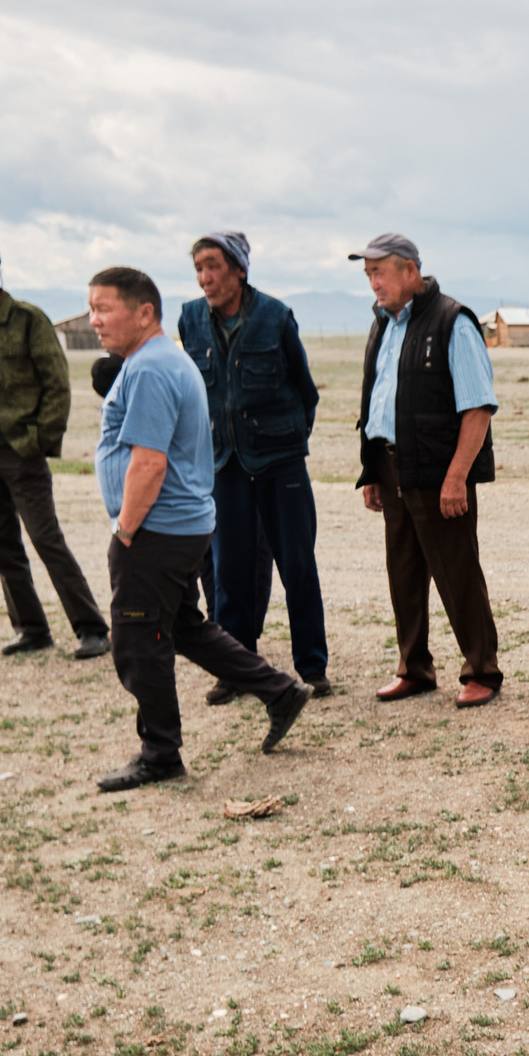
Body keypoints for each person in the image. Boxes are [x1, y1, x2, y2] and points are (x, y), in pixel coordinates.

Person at [84, 267, 311, 792]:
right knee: (185, 626)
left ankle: (160, 753)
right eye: (91, 308)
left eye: (105, 308)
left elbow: (149, 463)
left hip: (155, 532)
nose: (95, 320)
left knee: (139, 640)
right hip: (178, 527)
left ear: (145, 313)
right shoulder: (155, 361)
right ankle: (279, 691)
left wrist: (124, 531)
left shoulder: (149, 370)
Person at [350, 233, 503, 708]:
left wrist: (456, 477)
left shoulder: (452, 321)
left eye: (380, 272)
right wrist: (371, 470)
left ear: (411, 272)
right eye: (368, 274)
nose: (374, 283)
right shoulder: (382, 325)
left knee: (456, 573)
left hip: (439, 473)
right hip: (392, 465)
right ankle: (413, 668)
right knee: (404, 574)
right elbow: (376, 402)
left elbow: (477, 407)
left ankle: (481, 670)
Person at [0, 236, 107, 660]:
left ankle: (92, 630)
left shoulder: (30, 320)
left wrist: (35, 443)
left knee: (46, 539)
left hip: (19, 451)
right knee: (1, 544)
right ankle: (31, 629)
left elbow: (57, 387)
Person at [178, 232, 330, 703]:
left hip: (279, 462)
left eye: (213, 266)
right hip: (223, 462)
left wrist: (285, 444)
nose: (204, 277)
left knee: (298, 564)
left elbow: (306, 391)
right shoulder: (189, 319)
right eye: (198, 268)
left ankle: (312, 667)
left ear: (239, 270)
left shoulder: (275, 316)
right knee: (230, 570)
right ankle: (237, 668)